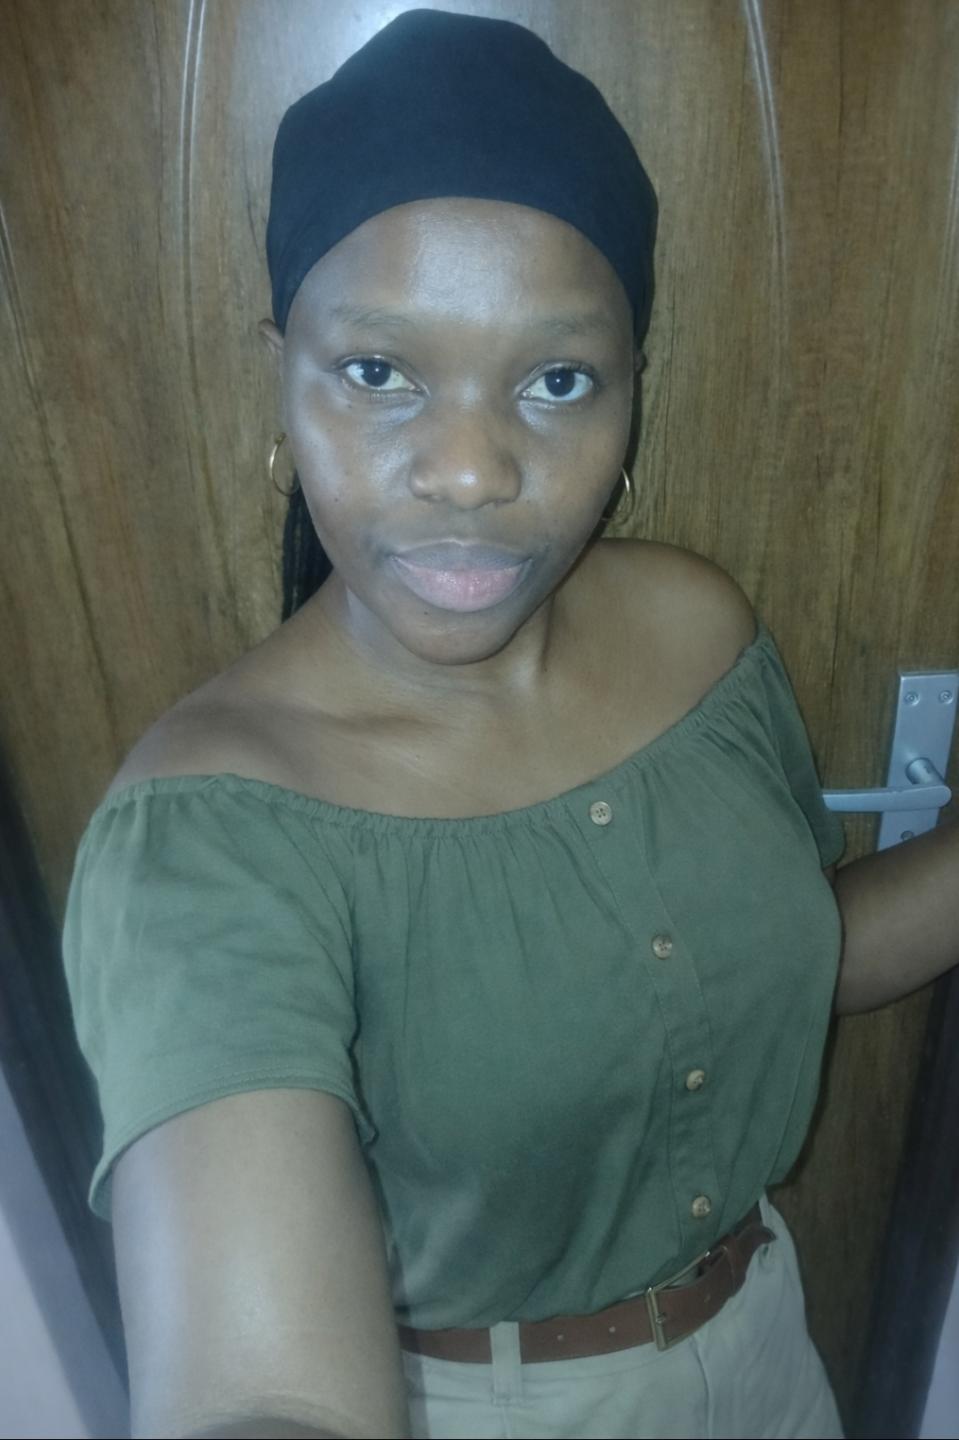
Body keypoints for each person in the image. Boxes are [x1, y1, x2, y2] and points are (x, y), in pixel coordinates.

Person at [60, 10, 959, 1440]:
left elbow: (791, 957)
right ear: (282, 370)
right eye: (379, 373)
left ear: (633, 385)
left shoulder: (696, 629)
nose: (473, 470)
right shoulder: (207, 842)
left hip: (769, 1349)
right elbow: (265, 1393)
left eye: (557, 380)